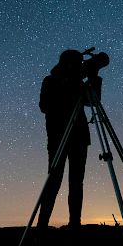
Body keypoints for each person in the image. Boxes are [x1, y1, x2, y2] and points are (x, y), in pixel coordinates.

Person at [36, 49, 102, 234]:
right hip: (58, 137)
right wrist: (67, 87)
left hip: (79, 138)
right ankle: (42, 227)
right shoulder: (50, 81)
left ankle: (75, 225)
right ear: (66, 63)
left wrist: (94, 78)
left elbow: (94, 102)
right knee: (54, 181)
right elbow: (44, 106)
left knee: (76, 183)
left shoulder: (80, 83)